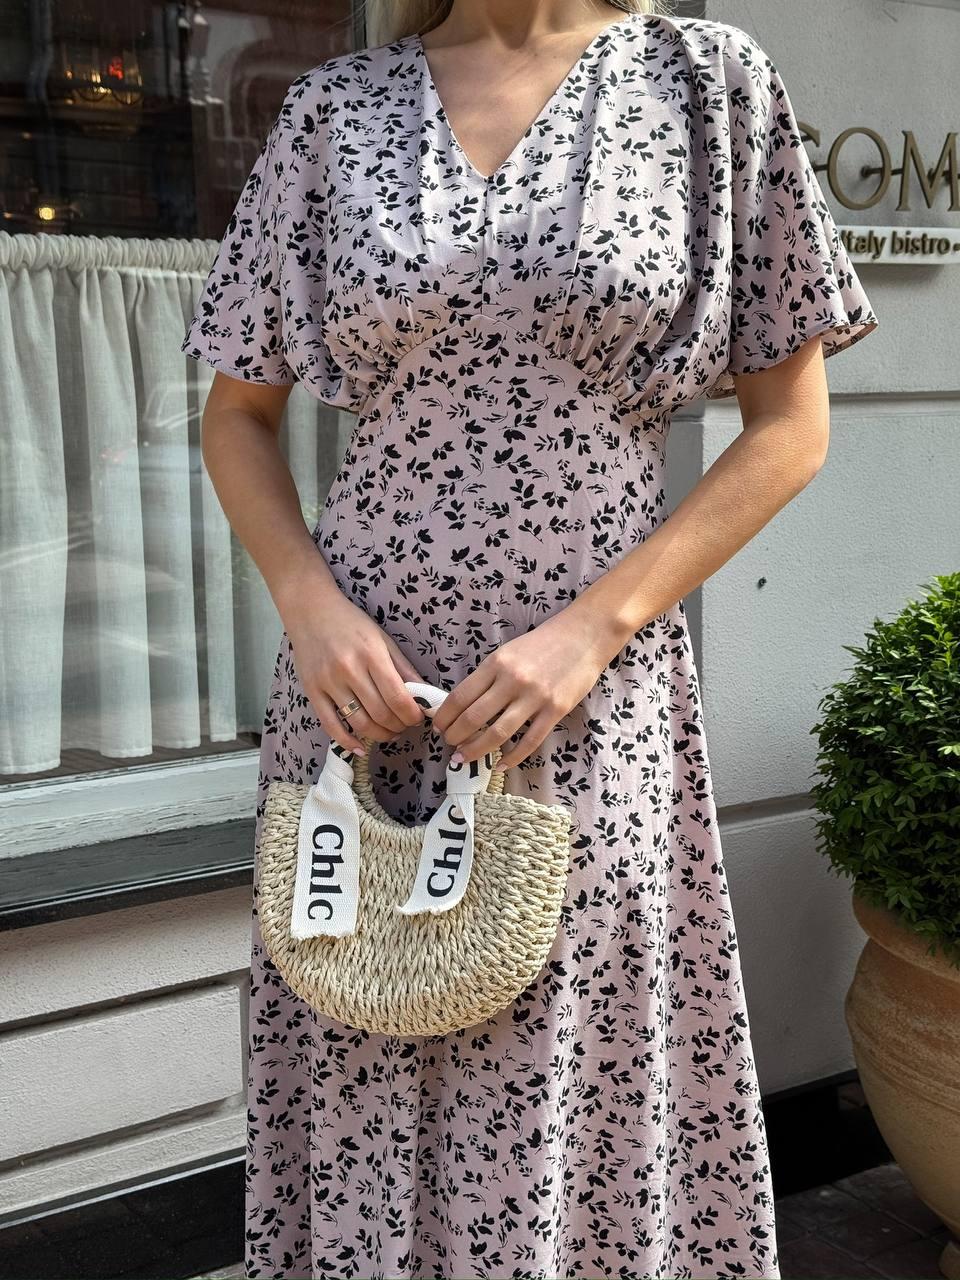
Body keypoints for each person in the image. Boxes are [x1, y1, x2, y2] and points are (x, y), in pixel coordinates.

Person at [180, 1, 879, 1276]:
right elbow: (237, 416)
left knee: (560, 1049)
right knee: (365, 1008)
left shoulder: (708, 83)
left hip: (587, 687)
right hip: (360, 688)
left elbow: (792, 429)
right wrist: (308, 605)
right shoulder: (338, 110)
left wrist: (593, 629)